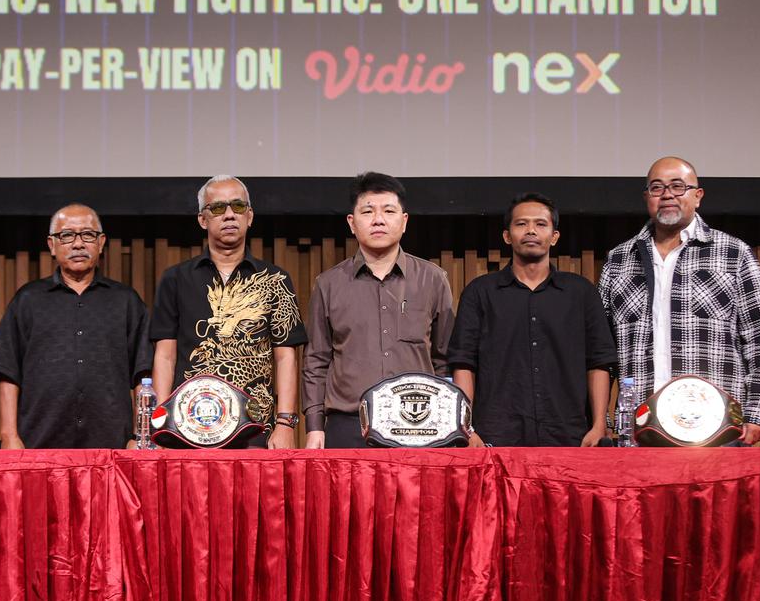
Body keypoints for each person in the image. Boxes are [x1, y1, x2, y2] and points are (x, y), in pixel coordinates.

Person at [599, 156, 760, 445]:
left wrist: (759, 413)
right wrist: (605, 421)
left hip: (716, 429)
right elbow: (602, 352)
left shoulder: (733, 254)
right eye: (657, 188)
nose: (668, 194)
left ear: (697, 196)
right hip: (639, 431)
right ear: (647, 198)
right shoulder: (619, 260)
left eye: (678, 186)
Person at [149, 175, 307, 449]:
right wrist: (161, 427)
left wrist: (285, 424)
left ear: (250, 216)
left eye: (238, 207)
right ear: (203, 220)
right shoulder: (175, 279)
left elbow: (285, 358)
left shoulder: (275, 279)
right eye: (219, 208)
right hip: (188, 428)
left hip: (256, 430)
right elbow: (165, 356)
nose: (230, 215)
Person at [448, 193, 616, 447]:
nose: (531, 231)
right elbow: (463, 362)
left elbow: (599, 361)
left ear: (554, 236)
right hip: (496, 434)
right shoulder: (480, 292)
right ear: (507, 236)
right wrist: (466, 428)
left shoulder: (581, 292)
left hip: (569, 434)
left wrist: (599, 425)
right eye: (521, 224)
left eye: (540, 224)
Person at [0, 204, 152, 449]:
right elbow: (7, 372)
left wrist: (138, 436)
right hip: (39, 441)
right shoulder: (28, 300)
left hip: (112, 442)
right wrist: (9, 436)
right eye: (67, 235)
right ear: (52, 245)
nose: (78, 244)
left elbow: (142, 374)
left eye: (88, 235)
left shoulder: (126, 301)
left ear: (101, 243)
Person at [303, 171, 455, 449]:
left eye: (388, 210)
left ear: (404, 221)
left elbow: (444, 358)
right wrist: (314, 427)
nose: (378, 220)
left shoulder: (433, 279)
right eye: (368, 211)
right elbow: (316, 361)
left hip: (418, 424)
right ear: (352, 223)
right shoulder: (328, 284)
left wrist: (448, 423)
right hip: (348, 426)